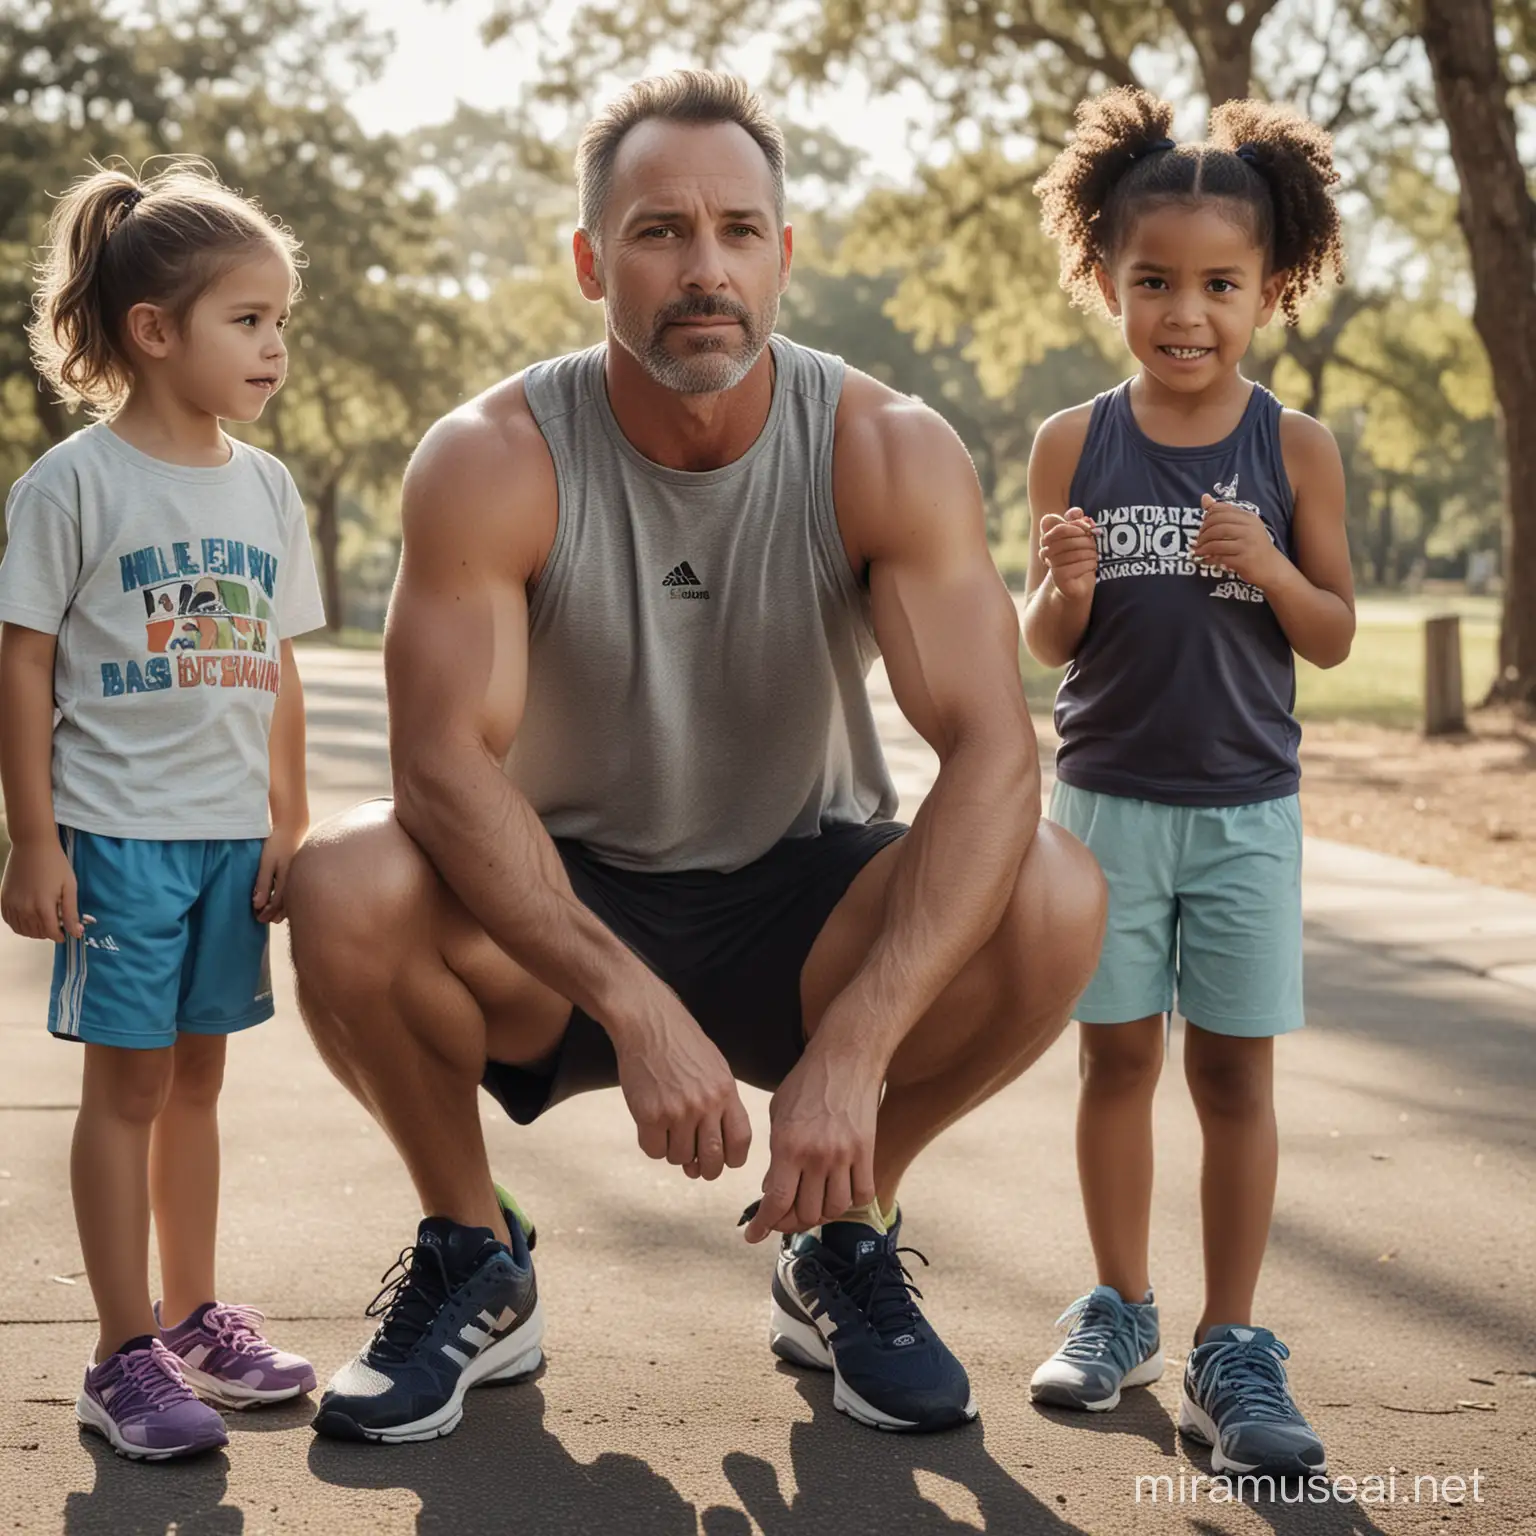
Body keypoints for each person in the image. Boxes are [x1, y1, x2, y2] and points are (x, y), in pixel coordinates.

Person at [286, 69, 1106, 1444]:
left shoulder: (887, 448)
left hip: (805, 898)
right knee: (343, 879)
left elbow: (990, 753)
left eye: (737, 231)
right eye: (661, 232)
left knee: (1057, 891)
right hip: (554, 904)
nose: (703, 268)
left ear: (785, 255)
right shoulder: (489, 457)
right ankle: (473, 1247)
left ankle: (845, 1227)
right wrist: (636, 1004)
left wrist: (850, 1053)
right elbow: (440, 768)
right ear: (590, 260)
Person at [1022, 88, 1355, 1477]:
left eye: (1220, 284)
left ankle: (1233, 1340)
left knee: (1231, 1075)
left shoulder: (1293, 450)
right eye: (1152, 279)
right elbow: (1044, 641)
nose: (1185, 312)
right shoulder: (1070, 442)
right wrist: (1068, 590)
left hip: (1244, 814)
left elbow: (1330, 632)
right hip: (1102, 804)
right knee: (1114, 1060)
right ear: (1102, 273)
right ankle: (1120, 1308)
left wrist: (1271, 567)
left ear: (1270, 290)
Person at [0, 160, 326, 1462]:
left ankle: (195, 1322)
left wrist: (288, 819)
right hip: (118, 838)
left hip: (227, 844)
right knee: (126, 1094)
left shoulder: (266, 489)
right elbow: (22, 659)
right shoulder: (75, 484)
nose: (275, 347)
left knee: (198, 1083)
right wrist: (34, 837)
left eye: (280, 321)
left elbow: (278, 662)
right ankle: (118, 1353)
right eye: (247, 320)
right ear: (154, 330)